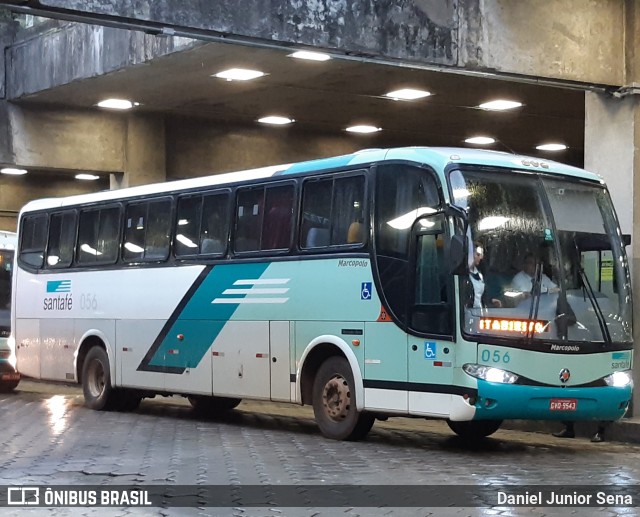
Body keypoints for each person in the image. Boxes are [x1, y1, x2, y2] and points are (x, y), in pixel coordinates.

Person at [468, 243, 501, 309]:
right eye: (478, 254)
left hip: (479, 312)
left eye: (481, 255)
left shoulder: (480, 274)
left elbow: (480, 296)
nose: (480, 257)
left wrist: (490, 301)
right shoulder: (462, 275)